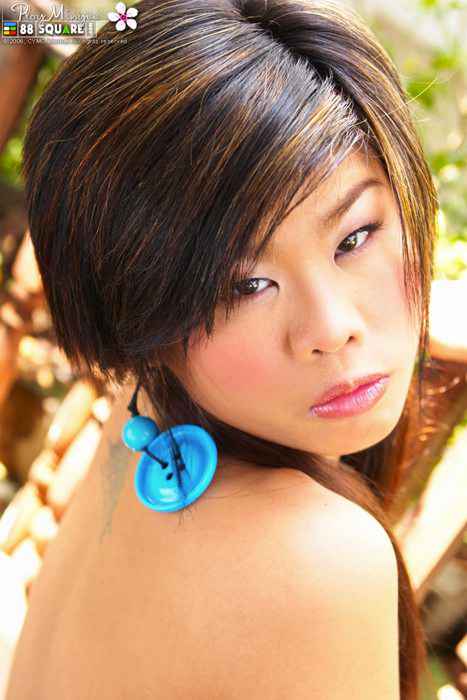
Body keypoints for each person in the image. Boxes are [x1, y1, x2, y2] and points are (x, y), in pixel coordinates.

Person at [6, 0, 441, 698]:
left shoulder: (147, 419)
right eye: (245, 286)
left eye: (353, 238)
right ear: (142, 315)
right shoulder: (322, 558)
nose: (332, 327)